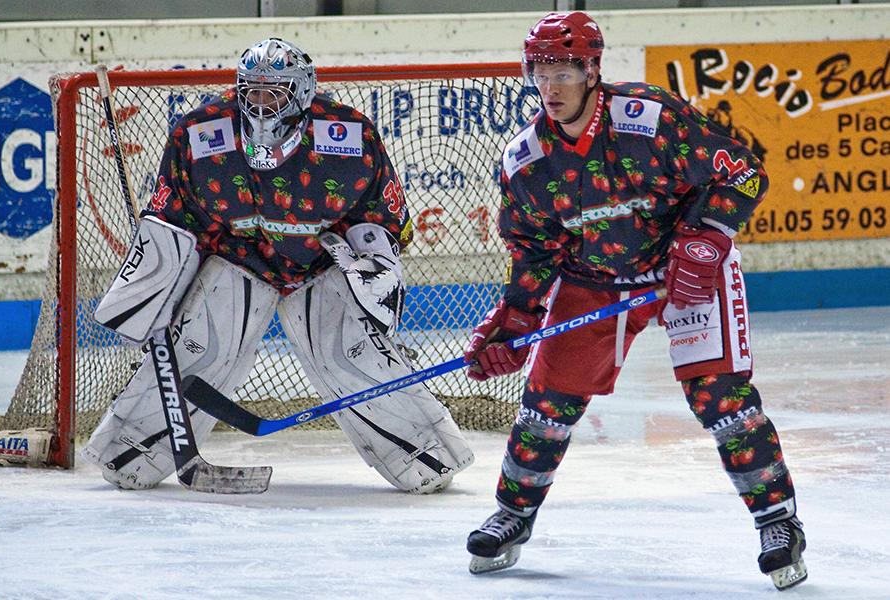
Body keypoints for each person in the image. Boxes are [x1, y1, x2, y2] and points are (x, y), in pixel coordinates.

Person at [462, 12, 805, 590]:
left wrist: (706, 240)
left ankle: (779, 523)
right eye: (539, 71)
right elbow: (534, 252)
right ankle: (512, 517)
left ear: (593, 70)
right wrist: (513, 322)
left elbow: (745, 174)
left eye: (565, 71)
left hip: (687, 271)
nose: (551, 86)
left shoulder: (651, 120)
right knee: (547, 405)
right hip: (596, 280)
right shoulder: (527, 162)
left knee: (721, 398)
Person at [81, 38, 473, 495]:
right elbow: (172, 219)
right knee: (198, 349)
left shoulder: (348, 133)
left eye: (275, 92)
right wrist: (157, 285)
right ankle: (128, 450)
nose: (261, 103)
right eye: (253, 91)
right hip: (237, 259)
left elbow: (384, 215)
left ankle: (427, 454)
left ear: (302, 92)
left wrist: (373, 266)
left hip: (318, 263)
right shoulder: (199, 132)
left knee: (351, 353)